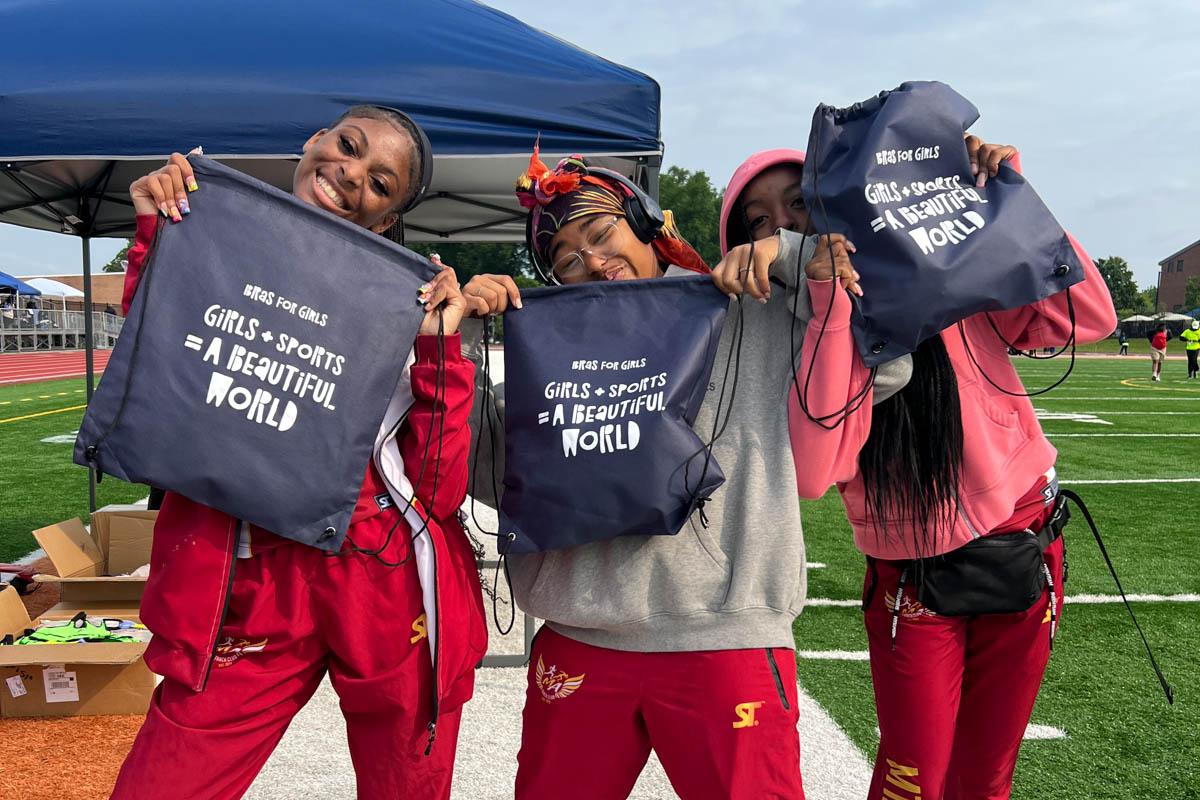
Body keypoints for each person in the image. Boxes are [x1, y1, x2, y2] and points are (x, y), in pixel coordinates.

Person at [461, 147, 911, 799]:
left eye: (601, 233)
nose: (592, 260)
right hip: (579, 636)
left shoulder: (748, 310)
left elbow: (888, 359)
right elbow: (487, 473)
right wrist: (463, 343)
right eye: (566, 257)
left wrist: (790, 256)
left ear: (648, 224)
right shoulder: (551, 350)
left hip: (726, 638)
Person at [109, 106, 487, 800]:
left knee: (406, 786)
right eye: (347, 146)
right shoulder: (215, 240)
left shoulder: (410, 300)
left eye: (380, 183)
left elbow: (439, 488)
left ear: (385, 221)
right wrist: (158, 233)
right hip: (252, 568)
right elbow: (154, 377)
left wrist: (439, 349)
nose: (351, 174)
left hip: (382, 570)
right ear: (315, 140)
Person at [788, 139, 1117, 800]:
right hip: (912, 568)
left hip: (1022, 537)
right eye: (761, 222)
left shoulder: (954, 270)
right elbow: (816, 469)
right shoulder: (802, 320)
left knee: (986, 777)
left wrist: (1007, 199)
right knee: (912, 777)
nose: (785, 226)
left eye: (795, 205)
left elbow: (1088, 317)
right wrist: (825, 300)